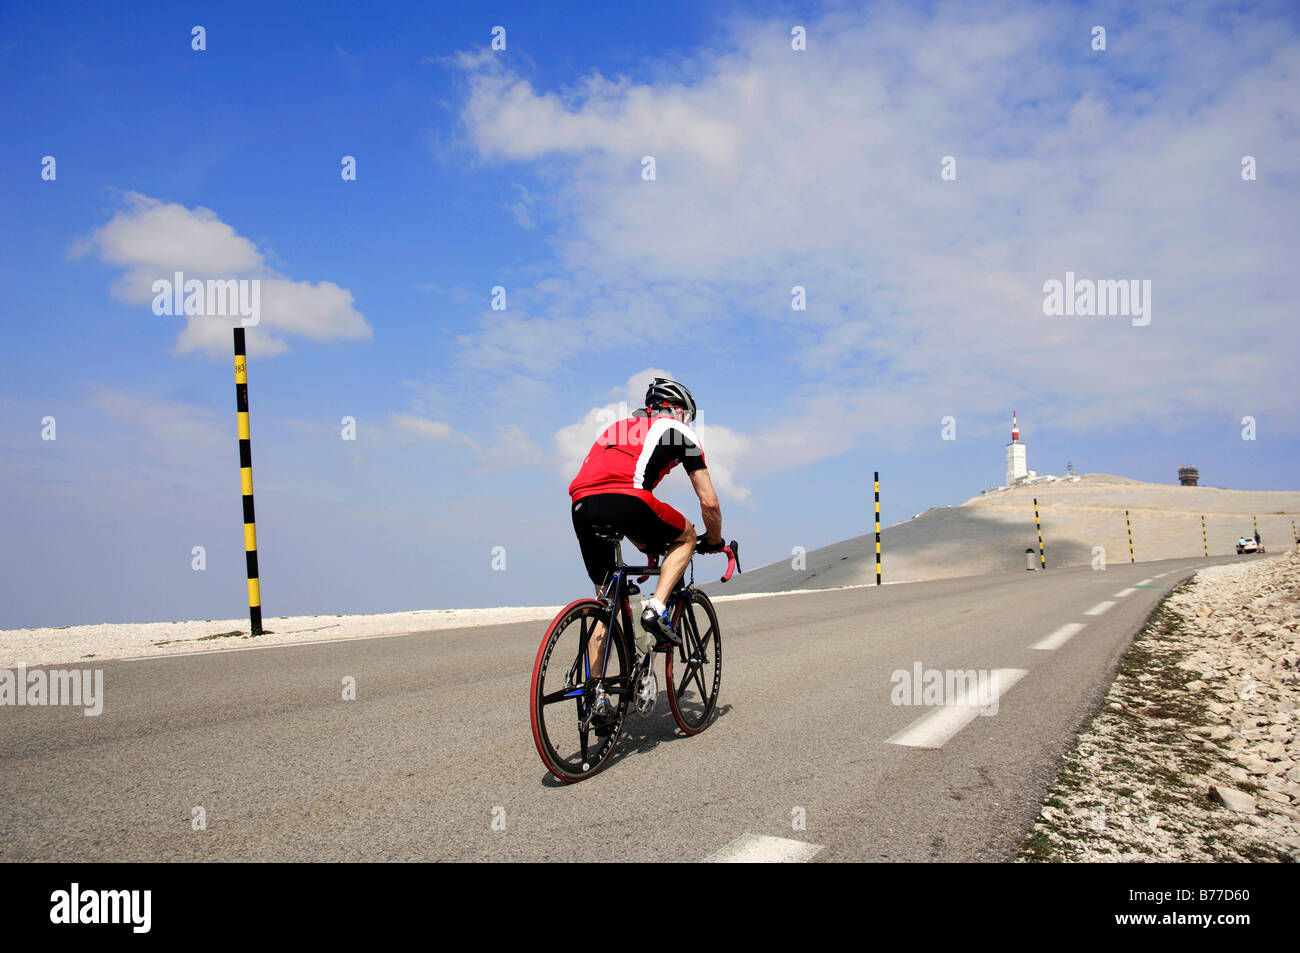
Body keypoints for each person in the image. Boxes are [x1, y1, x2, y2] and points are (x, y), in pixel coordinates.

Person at [569, 378, 723, 662]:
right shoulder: (679, 432)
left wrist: (645, 543)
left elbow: (608, 493)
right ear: (678, 411)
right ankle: (656, 608)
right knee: (687, 535)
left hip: (581, 504)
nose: (687, 422)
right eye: (687, 416)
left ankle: (596, 696)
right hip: (629, 499)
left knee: (605, 604)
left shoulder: (614, 428)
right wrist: (714, 541)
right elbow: (709, 503)